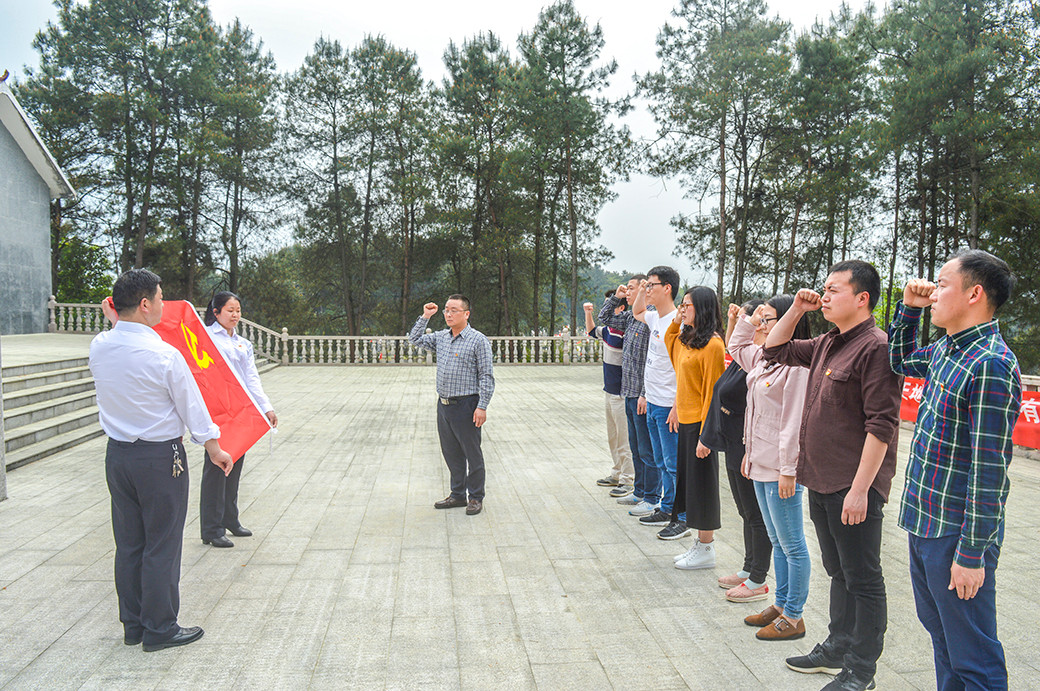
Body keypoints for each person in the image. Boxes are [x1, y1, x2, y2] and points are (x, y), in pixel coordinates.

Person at [763, 260, 902, 691]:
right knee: (839, 572)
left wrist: (861, 491)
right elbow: (773, 349)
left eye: (833, 290)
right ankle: (838, 647)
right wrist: (795, 310)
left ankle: (861, 670)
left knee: (863, 579)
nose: (824, 296)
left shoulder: (876, 347)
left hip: (852, 486)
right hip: (821, 480)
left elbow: (882, 425)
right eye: (823, 289)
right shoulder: (827, 342)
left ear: (862, 298)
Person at [889, 250, 1020, 691]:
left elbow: (989, 470)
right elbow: (900, 361)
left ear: (974, 294)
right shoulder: (948, 347)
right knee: (943, 639)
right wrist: (909, 309)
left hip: (955, 533)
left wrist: (971, 555)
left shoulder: (991, 364)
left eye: (943, 284)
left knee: (974, 656)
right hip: (924, 521)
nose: (933, 292)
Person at [90, 269, 234, 652]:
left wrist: (116, 320)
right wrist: (214, 448)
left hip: (118, 456)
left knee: (129, 544)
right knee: (162, 544)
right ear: (144, 304)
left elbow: (116, 332)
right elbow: (192, 407)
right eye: (159, 296)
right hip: (159, 458)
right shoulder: (164, 355)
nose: (162, 303)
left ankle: (134, 625)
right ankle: (161, 628)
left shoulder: (100, 346)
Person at [730, 296, 812, 639]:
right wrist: (750, 318)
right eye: (763, 320)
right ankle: (780, 604)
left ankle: (794, 615)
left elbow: (793, 422)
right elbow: (736, 346)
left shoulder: (797, 367)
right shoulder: (764, 358)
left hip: (781, 468)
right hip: (760, 461)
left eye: (770, 320)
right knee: (777, 541)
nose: (764, 326)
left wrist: (789, 470)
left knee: (793, 544)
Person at [698, 300, 772, 601]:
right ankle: (748, 568)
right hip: (732, 442)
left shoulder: (763, 360)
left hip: (748, 445)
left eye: (760, 319)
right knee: (745, 511)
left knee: (756, 514)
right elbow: (734, 345)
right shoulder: (745, 358)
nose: (754, 324)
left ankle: (758, 578)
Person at [199, 291, 278, 548]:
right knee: (216, 468)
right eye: (230, 310)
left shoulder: (243, 343)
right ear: (216, 312)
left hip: (240, 410)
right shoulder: (206, 338)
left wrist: (266, 407)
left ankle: (230, 519)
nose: (235, 315)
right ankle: (211, 528)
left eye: (238, 311)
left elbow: (251, 377)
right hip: (217, 411)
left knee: (234, 465)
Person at [408, 294, 495, 516]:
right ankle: (457, 494)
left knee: (472, 454)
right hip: (444, 404)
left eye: (454, 310)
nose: (448, 314)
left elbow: (486, 376)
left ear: (466, 314)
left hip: (467, 405)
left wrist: (482, 406)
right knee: (451, 453)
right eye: (446, 310)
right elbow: (414, 339)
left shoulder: (478, 340)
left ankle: (475, 497)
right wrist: (426, 316)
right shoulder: (441, 337)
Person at [662, 287, 726, 564]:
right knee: (690, 485)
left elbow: (713, 392)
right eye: (682, 304)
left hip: (701, 424)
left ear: (702, 308)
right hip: (686, 421)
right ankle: (700, 544)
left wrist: (707, 436)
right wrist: (677, 321)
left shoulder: (713, 345)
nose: (683, 308)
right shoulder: (688, 340)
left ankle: (706, 547)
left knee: (703, 487)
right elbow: (669, 342)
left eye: (687, 305)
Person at [599, 275, 659, 512]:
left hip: (643, 395)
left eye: (632, 289)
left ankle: (652, 497)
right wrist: (617, 297)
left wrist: (645, 392)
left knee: (647, 450)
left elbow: (655, 360)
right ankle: (640, 491)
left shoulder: (651, 318)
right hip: (628, 391)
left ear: (645, 290)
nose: (628, 293)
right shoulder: (630, 318)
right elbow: (604, 318)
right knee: (635, 447)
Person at [630, 267, 681, 527]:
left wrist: (677, 405)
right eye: (646, 285)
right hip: (652, 401)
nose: (647, 290)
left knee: (672, 463)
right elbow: (637, 312)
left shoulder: (677, 322)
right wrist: (642, 291)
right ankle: (666, 505)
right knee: (660, 460)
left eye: (651, 285)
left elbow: (683, 369)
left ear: (667, 288)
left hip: (668, 405)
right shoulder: (654, 318)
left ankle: (677, 514)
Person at [585, 293, 635, 495]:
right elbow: (591, 331)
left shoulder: (625, 331)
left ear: (621, 308)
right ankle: (617, 472)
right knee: (613, 437)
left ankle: (628, 479)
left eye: (609, 304)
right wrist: (588, 313)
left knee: (624, 439)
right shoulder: (608, 331)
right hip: (609, 390)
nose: (605, 307)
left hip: (621, 394)